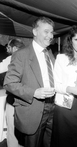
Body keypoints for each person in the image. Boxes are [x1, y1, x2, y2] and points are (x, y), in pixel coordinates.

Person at [3, 17, 55, 147]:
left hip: (53, 110)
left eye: (52, 32)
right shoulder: (22, 54)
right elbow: (9, 83)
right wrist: (34, 92)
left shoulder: (50, 53)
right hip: (33, 111)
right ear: (35, 32)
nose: (50, 36)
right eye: (46, 31)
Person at [0, 39, 25, 147]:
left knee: (12, 128)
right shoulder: (29, 56)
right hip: (27, 99)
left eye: (8, 47)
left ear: (15, 48)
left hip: (14, 99)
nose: (7, 49)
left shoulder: (12, 58)